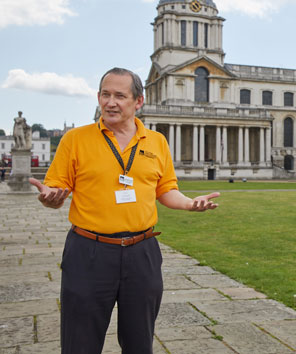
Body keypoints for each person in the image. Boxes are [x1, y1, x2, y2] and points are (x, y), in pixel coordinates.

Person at [28, 67, 220, 354]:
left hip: (142, 253)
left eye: (120, 95)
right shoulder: (75, 139)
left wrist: (190, 203)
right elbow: (56, 185)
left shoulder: (156, 142)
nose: (110, 102)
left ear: (138, 102)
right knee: (79, 342)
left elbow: (166, 189)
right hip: (88, 251)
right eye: (105, 94)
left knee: (139, 342)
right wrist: (50, 197)